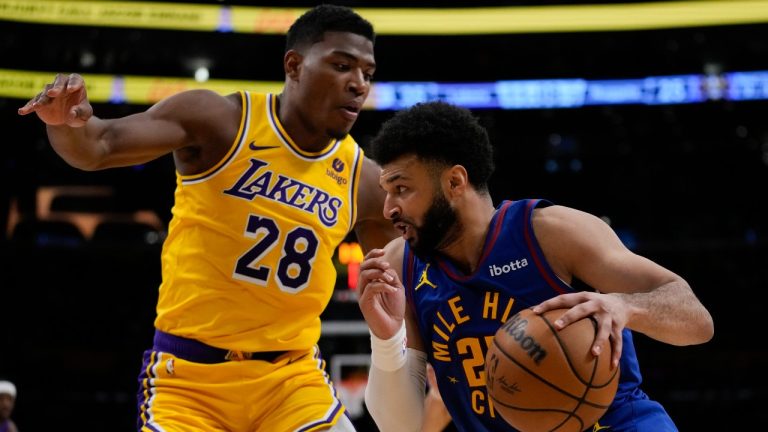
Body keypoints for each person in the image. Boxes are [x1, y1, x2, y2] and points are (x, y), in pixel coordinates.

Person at [18, 5, 397, 431]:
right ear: (294, 65)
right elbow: (99, 144)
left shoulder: (365, 180)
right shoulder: (220, 120)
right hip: (190, 381)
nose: (358, 83)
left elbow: (402, 288)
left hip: (292, 383)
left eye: (367, 72)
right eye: (342, 65)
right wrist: (65, 125)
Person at [356, 101, 714, 431]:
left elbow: (697, 319)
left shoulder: (551, 233)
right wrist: (386, 339)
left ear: (454, 182)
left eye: (401, 189)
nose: (388, 208)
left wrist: (626, 305)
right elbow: (401, 427)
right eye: (386, 191)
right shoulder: (401, 265)